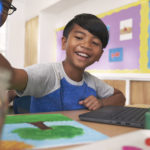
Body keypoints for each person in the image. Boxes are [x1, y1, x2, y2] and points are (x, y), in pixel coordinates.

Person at [0, 12, 126, 113]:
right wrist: (13, 90)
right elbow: (12, 77)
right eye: (79, 37)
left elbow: (120, 97)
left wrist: (101, 102)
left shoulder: (92, 82)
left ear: (100, 55)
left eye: (95, 43)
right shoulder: (49, 73)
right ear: (64, 43)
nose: (86, 45)